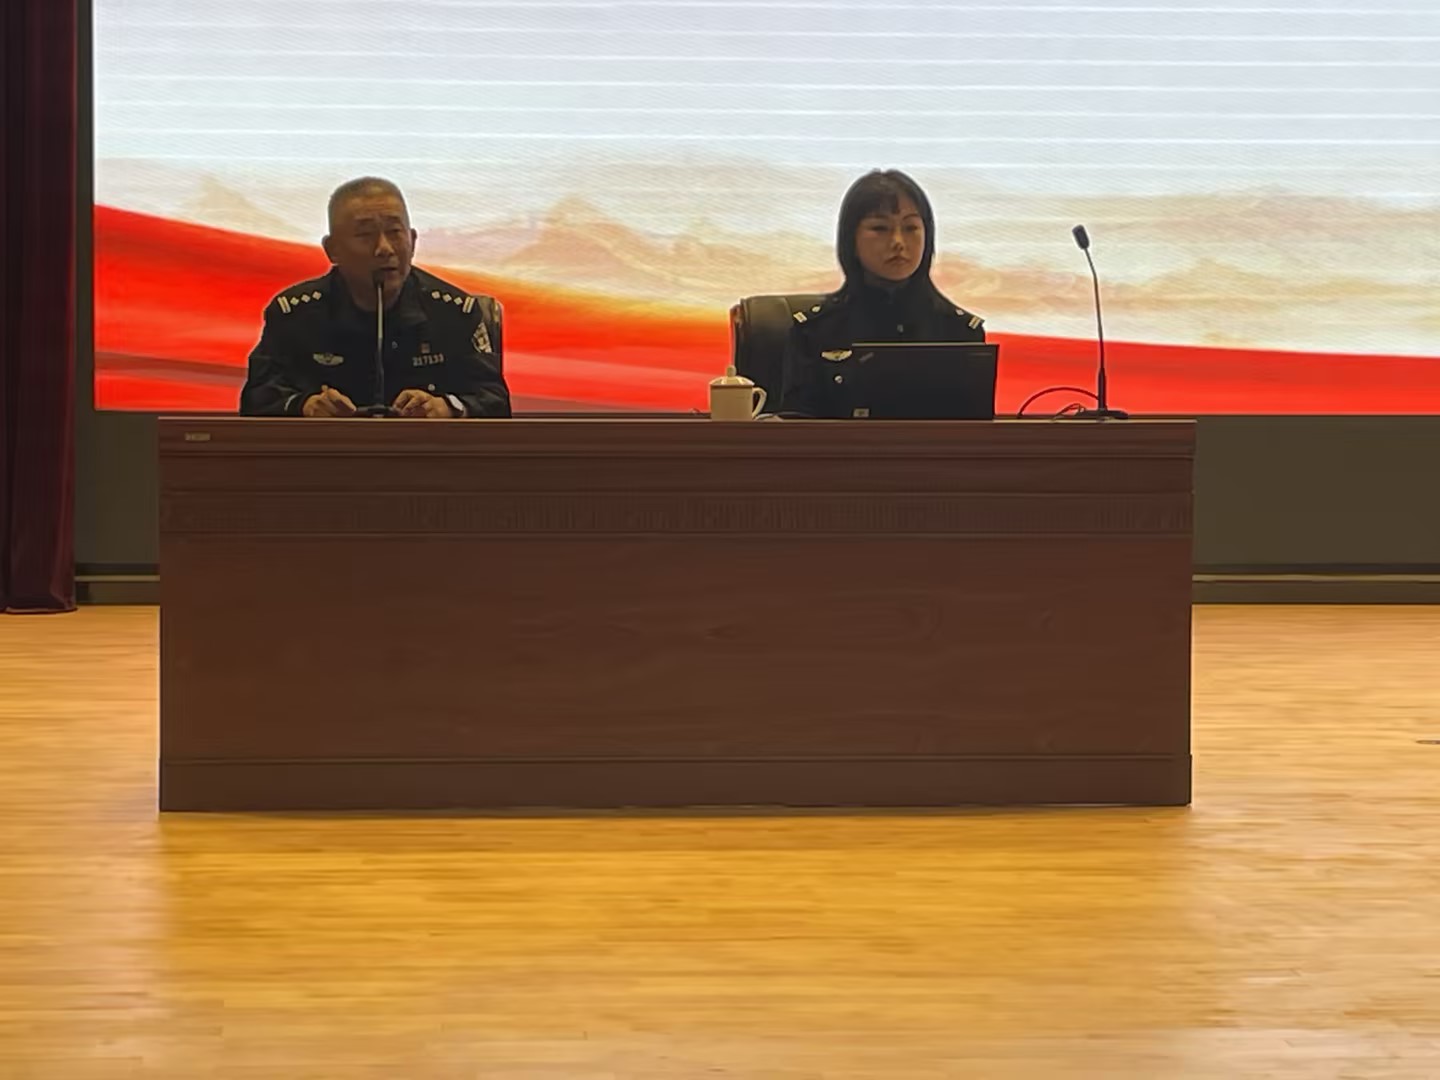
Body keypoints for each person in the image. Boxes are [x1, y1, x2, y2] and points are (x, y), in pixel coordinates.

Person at [239, 177, 511, 418]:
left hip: (424, 455)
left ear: (413, 240)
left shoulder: (453, 313)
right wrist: (304, 405)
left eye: (395, 233)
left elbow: (495, 400)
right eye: (365, 235)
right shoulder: (295, 315)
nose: (385, 248)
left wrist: (447, 407)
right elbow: (256, 398)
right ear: (333, 249)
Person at [778, 169, 985, 418]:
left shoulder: (961, 333)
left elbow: (972, 434)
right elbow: (795, 433)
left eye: (910, 227)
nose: (898, 241)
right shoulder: (814, 332)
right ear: (851, 239)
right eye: (880, 228)